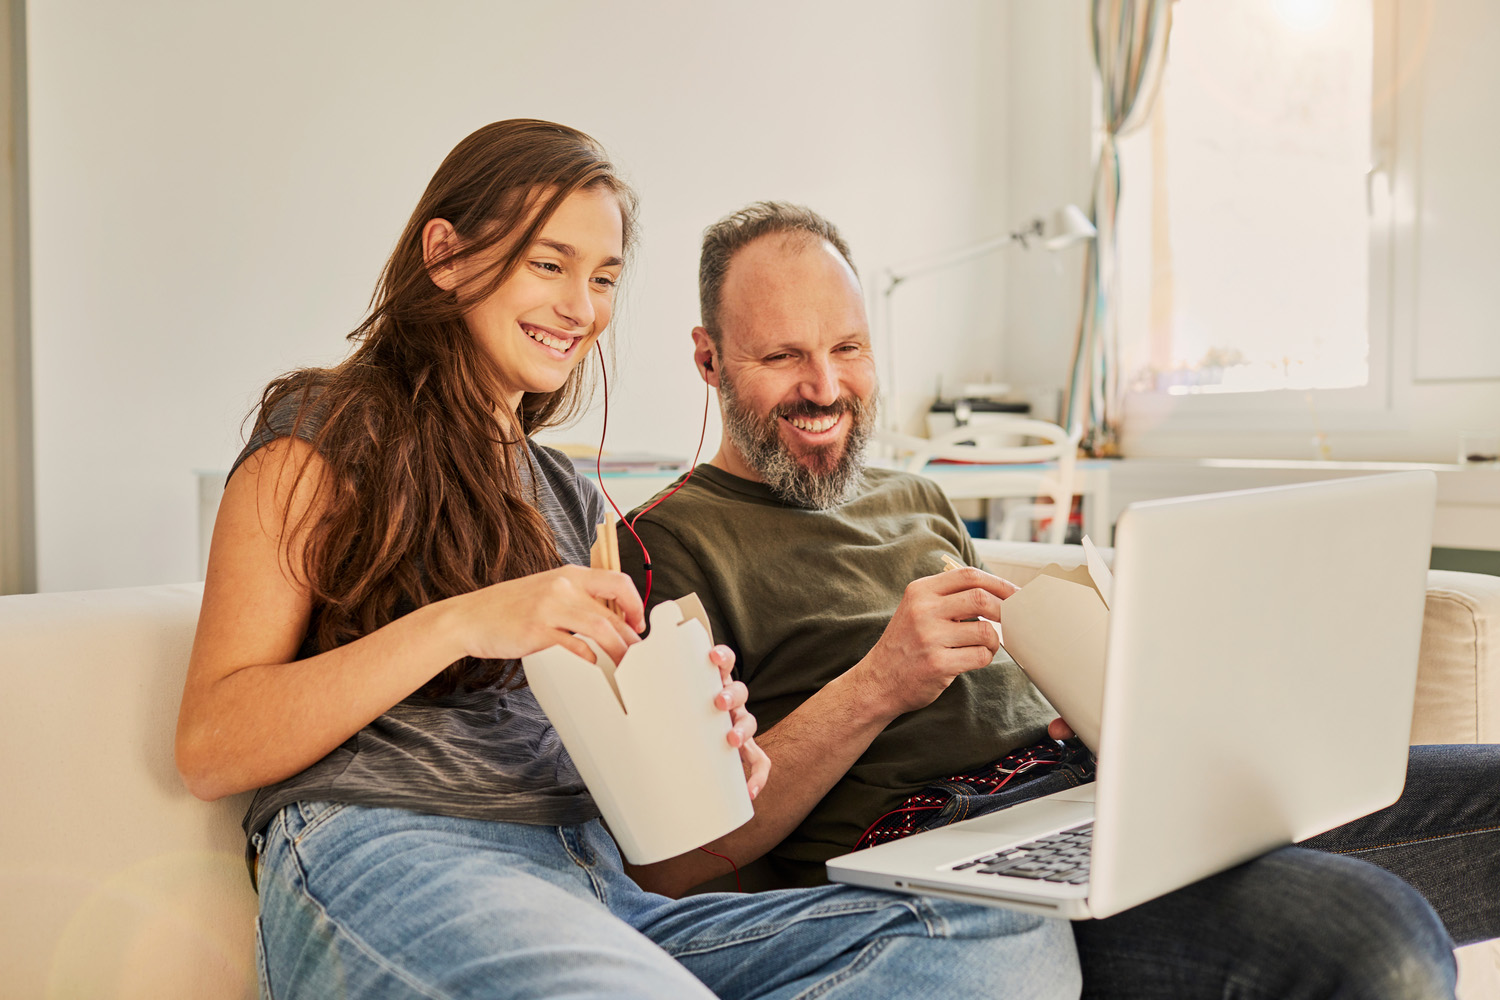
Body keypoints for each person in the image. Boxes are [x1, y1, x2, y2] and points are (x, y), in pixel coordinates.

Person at [175, 122, 1082, 999]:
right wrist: (463, 622)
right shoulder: (327, 430)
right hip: (398, 847)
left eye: (603, 276)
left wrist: (700, 749)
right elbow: (213, 743)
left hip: (598, 883)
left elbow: (661, 848)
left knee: (999, 938)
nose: (581, 307)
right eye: (549, 263)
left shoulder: (566, 496)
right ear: (446, 255)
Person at [619, 200, 1500, 999]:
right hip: (956, 868)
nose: (824, 387)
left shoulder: (917, 498)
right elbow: (686, 858)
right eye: (782, 356)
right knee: (1380, 949)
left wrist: (1096, 701)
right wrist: (879, 682)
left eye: (847, 349)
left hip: (1097, 795)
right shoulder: (668, 544)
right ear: (707, 358)